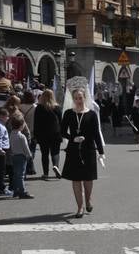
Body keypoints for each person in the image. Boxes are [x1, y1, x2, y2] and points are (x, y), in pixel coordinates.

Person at [60, 86, 104, 216]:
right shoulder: (68, 113)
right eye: (76, 98)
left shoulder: (91, 114)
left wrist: (101, 152)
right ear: (73, 99)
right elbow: (62, 132)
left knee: (88, 179)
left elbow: (96, 134)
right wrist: (72, 138)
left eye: (80, 97)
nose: (78, 100)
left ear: (84, 98)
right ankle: (80, 207)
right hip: (73, 150)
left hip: (88, 149)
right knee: (76, 179)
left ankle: (88, 199)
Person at [34, 89, 62, 180]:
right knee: (55, 152)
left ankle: (45, 173)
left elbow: (36, 122)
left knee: (44, 154)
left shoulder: (39, 107)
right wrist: (62, 133)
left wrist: (35, 135)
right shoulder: (57, 107)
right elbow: (61, 122)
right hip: (55, 133)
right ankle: (56, 166)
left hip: (43, 134)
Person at [7, 113, 34, 199]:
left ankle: (16, 191)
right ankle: (22, 191)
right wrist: (29, 156)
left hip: (14, 155)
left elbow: (10, 145)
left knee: (16, 174)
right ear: (21, 125)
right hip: (21, 156)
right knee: (21, 175)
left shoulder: (11, 134)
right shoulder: (22, 136)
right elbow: (25, 148)